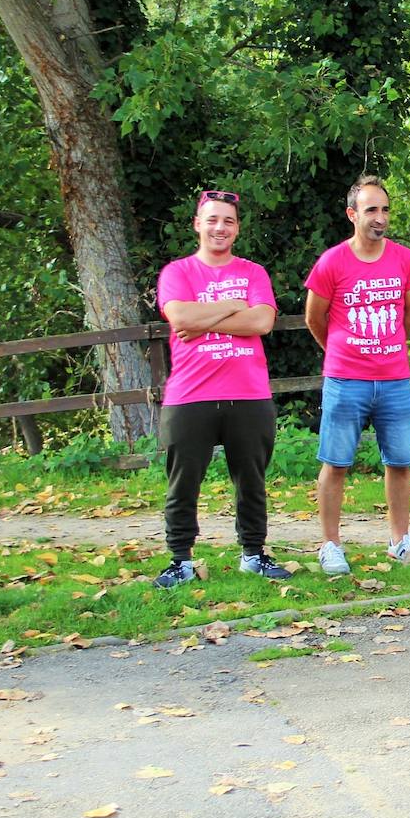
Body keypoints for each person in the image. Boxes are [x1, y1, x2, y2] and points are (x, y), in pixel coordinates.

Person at [152, 190, 290, 588]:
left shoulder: (253, 272)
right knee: (183, 481)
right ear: (197, 224)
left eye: (228, 221)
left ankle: (253, 554)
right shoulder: (177, 272)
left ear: (237, 228)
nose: (220, 228)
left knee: (251, 481)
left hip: (248, 394)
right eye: (212, 220)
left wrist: (203, 319)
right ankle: (180, 560)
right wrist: (233, 305)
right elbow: (178, 315)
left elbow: (262, 322)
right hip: (189, 395)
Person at [305, 175, 410, 575]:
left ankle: (400, 541)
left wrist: (387, 349)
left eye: (385, 209)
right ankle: (330, 545)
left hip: (394, 379)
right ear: (352, 214)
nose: (380, 218)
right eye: (371, 209)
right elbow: (314, 317)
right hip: (346, 381)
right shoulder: (332, 262)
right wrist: (343, 352)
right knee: (335, 463)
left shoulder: (405, 260)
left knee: (400, 462)